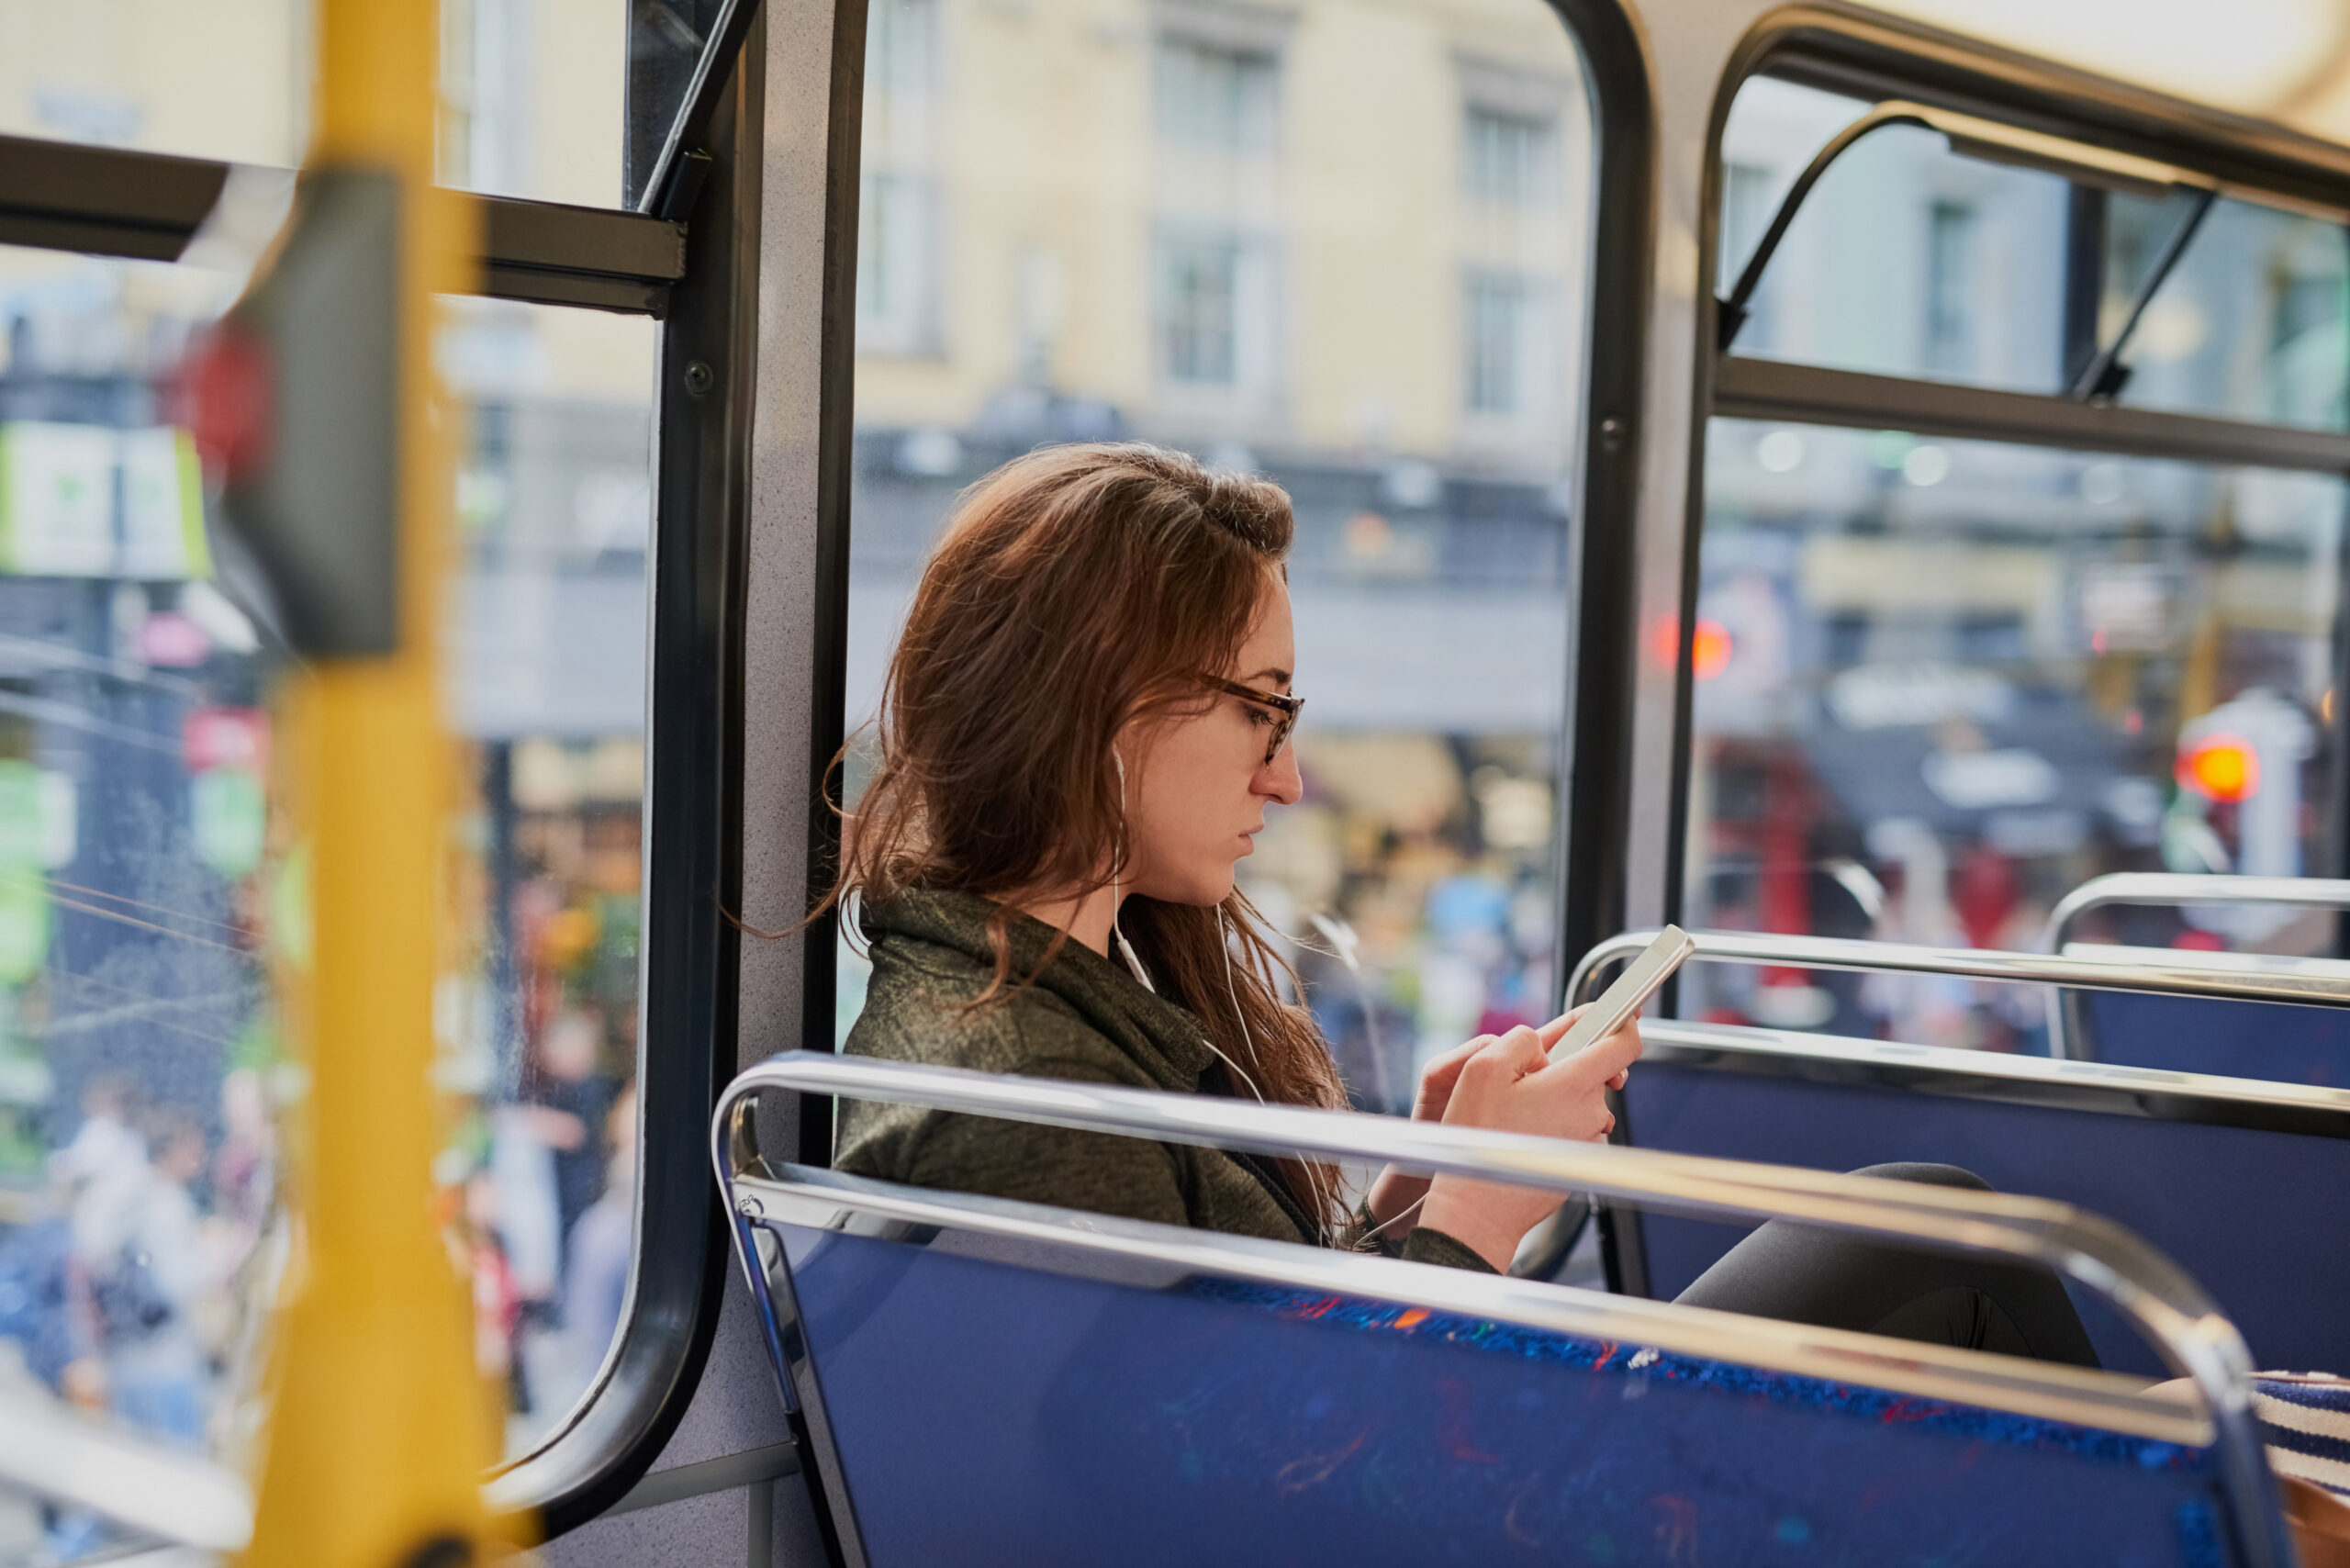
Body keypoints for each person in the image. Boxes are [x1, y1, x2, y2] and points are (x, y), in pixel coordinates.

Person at [825, 442, 2095, 1363]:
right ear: (1103, 705)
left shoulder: (1013, 1005)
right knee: (1947, 1235)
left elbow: (1234, 1373)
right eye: (1261, 707)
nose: (1288, 771)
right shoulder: (1028, 1101)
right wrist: (1482, 1216)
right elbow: (1265, 1487)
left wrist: (1419, 1207)